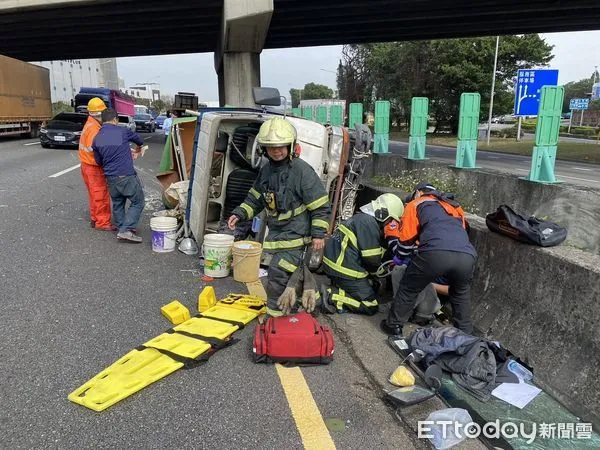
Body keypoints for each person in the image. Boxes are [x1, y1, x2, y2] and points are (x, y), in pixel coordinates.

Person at [227, 117, 331, 317]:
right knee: (293, 276)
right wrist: (239, 213)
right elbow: (255, 198)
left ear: (291, 146)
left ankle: (277, 316)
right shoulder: (267, 171)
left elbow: (320, 205)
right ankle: (307, 309)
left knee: (278, 273)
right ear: (263, 149)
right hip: (280, 236)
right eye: (271, 147)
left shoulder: (302, 171)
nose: (276, 151)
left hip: (298, 236)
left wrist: (318, 234)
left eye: (281, 146)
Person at [381, 182, 477, 335]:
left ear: (418, 193)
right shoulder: (454, 206)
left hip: (435, 253)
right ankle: (466, 336)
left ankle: (394, 325)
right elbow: (459, 233)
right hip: (467, 255)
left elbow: (406, 242)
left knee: (409, 286)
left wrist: (399, 256)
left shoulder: (416, 204)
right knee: (460, 294)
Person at [321, 193, 404, 315]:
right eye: (391, 220)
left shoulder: (363, 219)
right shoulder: (368, 224)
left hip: (336, 264)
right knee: (370, 306)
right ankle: (332, 296)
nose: (391, 224)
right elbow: (372, 260)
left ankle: (341, 287)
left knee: (372, 285)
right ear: (384, 215)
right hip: (344, 270)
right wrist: (383, 267)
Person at [92, 108, 146, 243]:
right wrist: (140, 147)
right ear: (115, 119)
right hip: (125, 175)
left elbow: (99, 161)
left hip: (110, 177)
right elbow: (138, 139)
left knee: (118, 202)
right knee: (138, 201)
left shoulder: (98, 138)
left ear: (102, 120)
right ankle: (126, 230)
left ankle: (122, 227)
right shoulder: (122, 132)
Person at [79, 97, 113, 231]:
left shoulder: (91, 124)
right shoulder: (94, 128)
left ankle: (95, 218)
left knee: (94, 194)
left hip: (87, 165)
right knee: (100, 195)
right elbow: (100, 147)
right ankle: (102, 222)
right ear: (99, 114)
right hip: (94, 167)